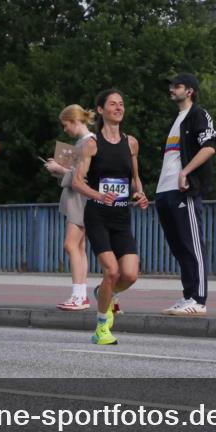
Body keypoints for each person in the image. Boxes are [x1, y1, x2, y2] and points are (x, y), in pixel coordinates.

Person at [73, 89, 148, 346]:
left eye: (121, 104)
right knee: (112, 271)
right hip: (98, 216)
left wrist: (140, 194)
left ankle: (103, 292)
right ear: (101, 110)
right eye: (113, 104)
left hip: (121, 217)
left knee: (130, 275)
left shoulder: (131, 143)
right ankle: (101, 328)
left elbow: (134, 178)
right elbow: (76, 181)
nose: (119, 108)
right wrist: (97, 194)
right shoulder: (91, 144)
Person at [155, 73, 216, 316]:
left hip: (183, 190)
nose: (172, 89)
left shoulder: (197, 115)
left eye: (177, 86)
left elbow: (210, 146)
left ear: (190, 90)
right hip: (165, 191)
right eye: (171, 85)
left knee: (193, 245)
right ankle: (187, 295)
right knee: (179, 247)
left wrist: (186, 172)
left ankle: (199, 300)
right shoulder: (177, 120)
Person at [43, 104, 96, 311]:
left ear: (75, 121)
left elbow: (84, 176)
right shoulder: (84, 142)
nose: (65, 129)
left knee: (71, 245)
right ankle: (80, 294)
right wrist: (60, 170)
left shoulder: (88, 142)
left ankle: (78, 295)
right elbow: (77, 172)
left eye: (66, 125)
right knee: (79, 247)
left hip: (80, 199)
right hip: (78, 198)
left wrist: (59, 169)